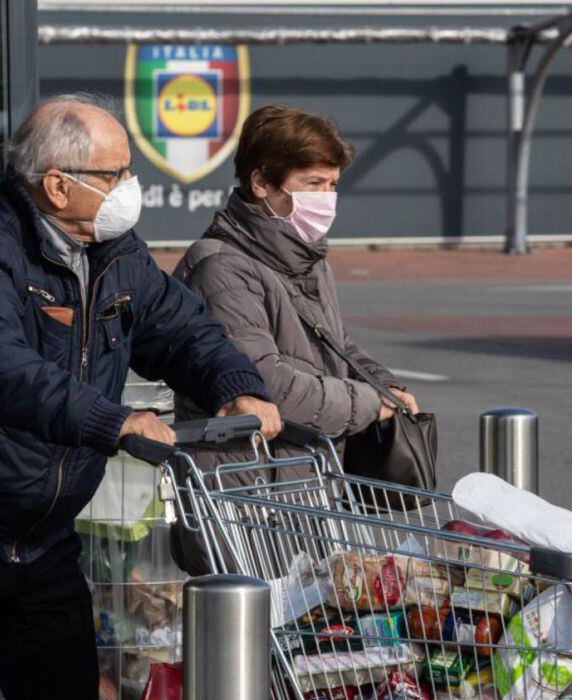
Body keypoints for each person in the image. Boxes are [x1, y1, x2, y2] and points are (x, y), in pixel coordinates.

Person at [0, 93, 281, 700]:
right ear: (58, 185)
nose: (130, 188)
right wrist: (115, 422)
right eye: (116, 174)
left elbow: (181, 331)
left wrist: (237, 387)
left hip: (40, 530)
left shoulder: (116, 250)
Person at [172, 105, 418, 487]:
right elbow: (265, 385)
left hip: (305, 479)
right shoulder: (222, 268)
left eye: (333, 185)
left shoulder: (309, 257)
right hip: (247, 489)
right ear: (261, 183)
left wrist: (385, 386)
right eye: (313, 183)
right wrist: (370, 403)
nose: (326, 198)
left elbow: (334, 344)